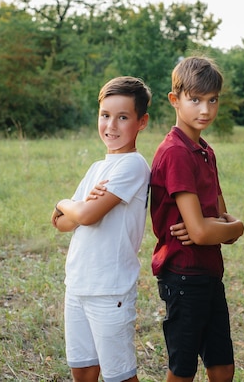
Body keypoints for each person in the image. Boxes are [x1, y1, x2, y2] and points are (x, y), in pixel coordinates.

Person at [150, 56, 244, 382]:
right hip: (182, 276)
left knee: (222, 365)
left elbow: (217, 222)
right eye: (195, 99)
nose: (205, 109)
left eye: (212, 100)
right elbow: (206, 231)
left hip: (208, 273)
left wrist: (221, 228)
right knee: (183, 369)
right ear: (175, 100)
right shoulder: (175, 152)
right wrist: (235, 226)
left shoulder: (204, 150)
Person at [51, 76, 151, 382]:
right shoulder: (97, 167)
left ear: (141, 122)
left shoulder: (133, 166)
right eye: (105, 115)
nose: (111, 125)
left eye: (123, 117)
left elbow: (85, 216)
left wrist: (64, 201)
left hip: (110, 289)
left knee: (119, 376)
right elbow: (60, 223)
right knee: (82, 369)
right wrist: (74, 206)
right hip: (78, 283)